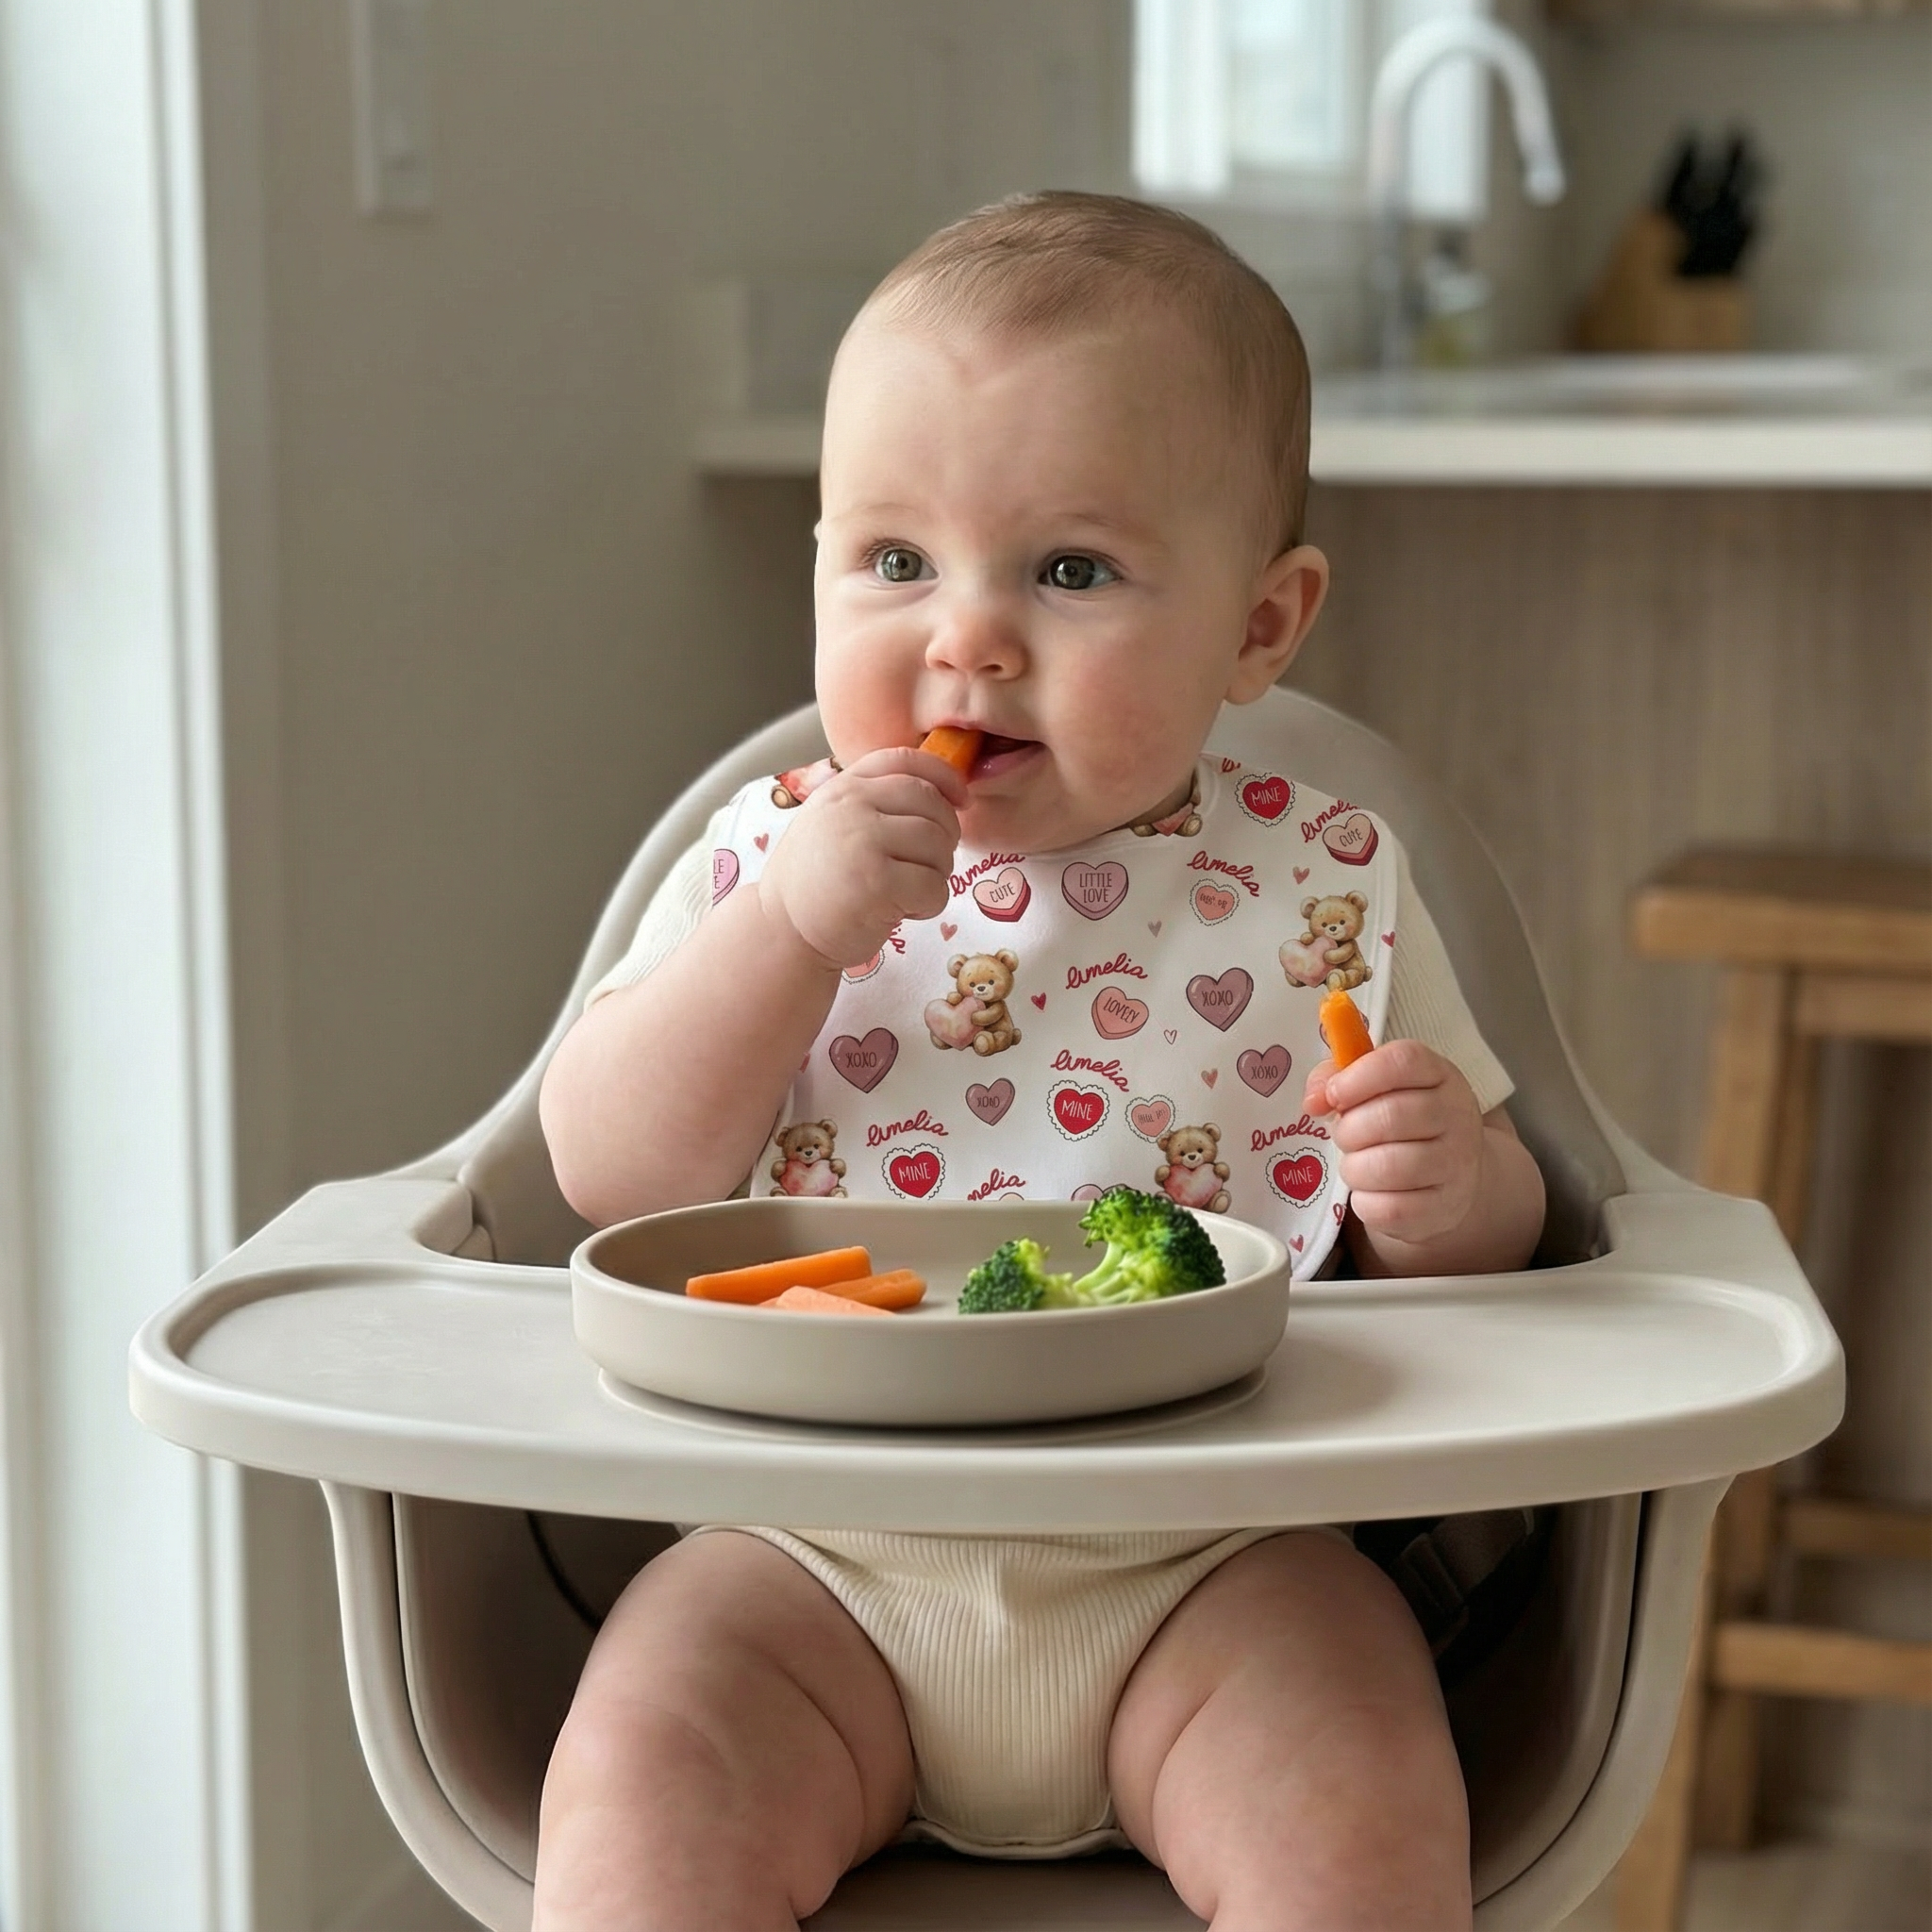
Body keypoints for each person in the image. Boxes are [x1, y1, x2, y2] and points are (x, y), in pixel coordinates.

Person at [535, 192, 1545, 1932]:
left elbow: (1480, 1246)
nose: (969, 639)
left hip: (1222, 1561)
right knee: (646, 1769)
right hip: (812, 1563)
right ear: (820, 567)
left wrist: (1451, 1187)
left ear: (1260, 625)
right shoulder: (765, 859)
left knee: (1360, 1799)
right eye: (896, 562)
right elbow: (609, 1179)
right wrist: (790, 933)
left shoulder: (1316, 886)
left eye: (1070, 570)